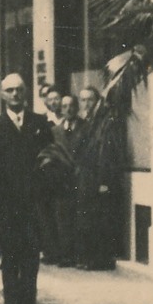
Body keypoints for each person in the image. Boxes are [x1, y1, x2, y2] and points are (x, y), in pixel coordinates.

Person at [0, 73, 55, 304]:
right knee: (10, 255)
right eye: (10, 90)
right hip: (7, 204)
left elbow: (50, 157)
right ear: (3, 94)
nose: (15, 95)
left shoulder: (39, 123)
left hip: (33, 202)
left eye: (19, 90)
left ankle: (28, 303)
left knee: (31, 254)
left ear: (26, 93)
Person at [72, 86, 123, 271]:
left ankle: (100, 259)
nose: (86, 104)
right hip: (86, 176)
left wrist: (105, 181)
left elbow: (108, 152)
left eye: (90, 100)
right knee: (88, 218)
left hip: (99, 175)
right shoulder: (87, 121)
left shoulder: (106, 121)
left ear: (98, 100)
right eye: (83, 100)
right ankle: (89, 258)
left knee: (100, 219)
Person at [43, 92, 85, 267]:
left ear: (77, 108)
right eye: (65, 106)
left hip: (80, 179)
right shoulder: (55, 131)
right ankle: (64, 254)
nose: (69, 109)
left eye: (72, 106)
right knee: (62, 218)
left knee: (79, 218)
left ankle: (78, 255)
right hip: (62, 181)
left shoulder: (86, 127)